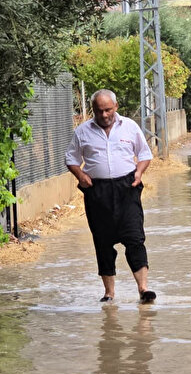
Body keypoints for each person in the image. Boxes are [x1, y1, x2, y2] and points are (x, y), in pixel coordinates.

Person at [65, 89, 156, 304]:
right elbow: (71, 157)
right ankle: (109, 294)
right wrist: (81, 175)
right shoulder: (82, 132)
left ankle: (143, 289)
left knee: (135, 238)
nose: (104, 115)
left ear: (115, 107)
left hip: (127, 187)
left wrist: (139, 172)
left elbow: (144, 154)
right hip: (98, 192)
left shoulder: (130, 127)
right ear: (93, 111)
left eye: (107, 110)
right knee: (102, 242)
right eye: (99, 111)